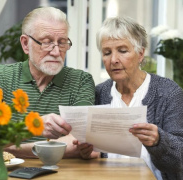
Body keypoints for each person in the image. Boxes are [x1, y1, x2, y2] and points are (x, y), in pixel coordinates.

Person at [74, 16, 183, 179]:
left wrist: (159, 141)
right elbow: (92, 157)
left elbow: (179, 160)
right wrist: (86, 152)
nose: (114, 60)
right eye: (107, 53)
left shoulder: (168, 92)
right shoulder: (98, 93)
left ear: (140, 54)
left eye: (123, 51)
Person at [0, 7, 99, 159]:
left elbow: (79, 144)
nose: (56, 52)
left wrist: (8, 149)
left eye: (62, 43)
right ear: (25, 44)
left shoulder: (81, 81)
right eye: (46, 42)